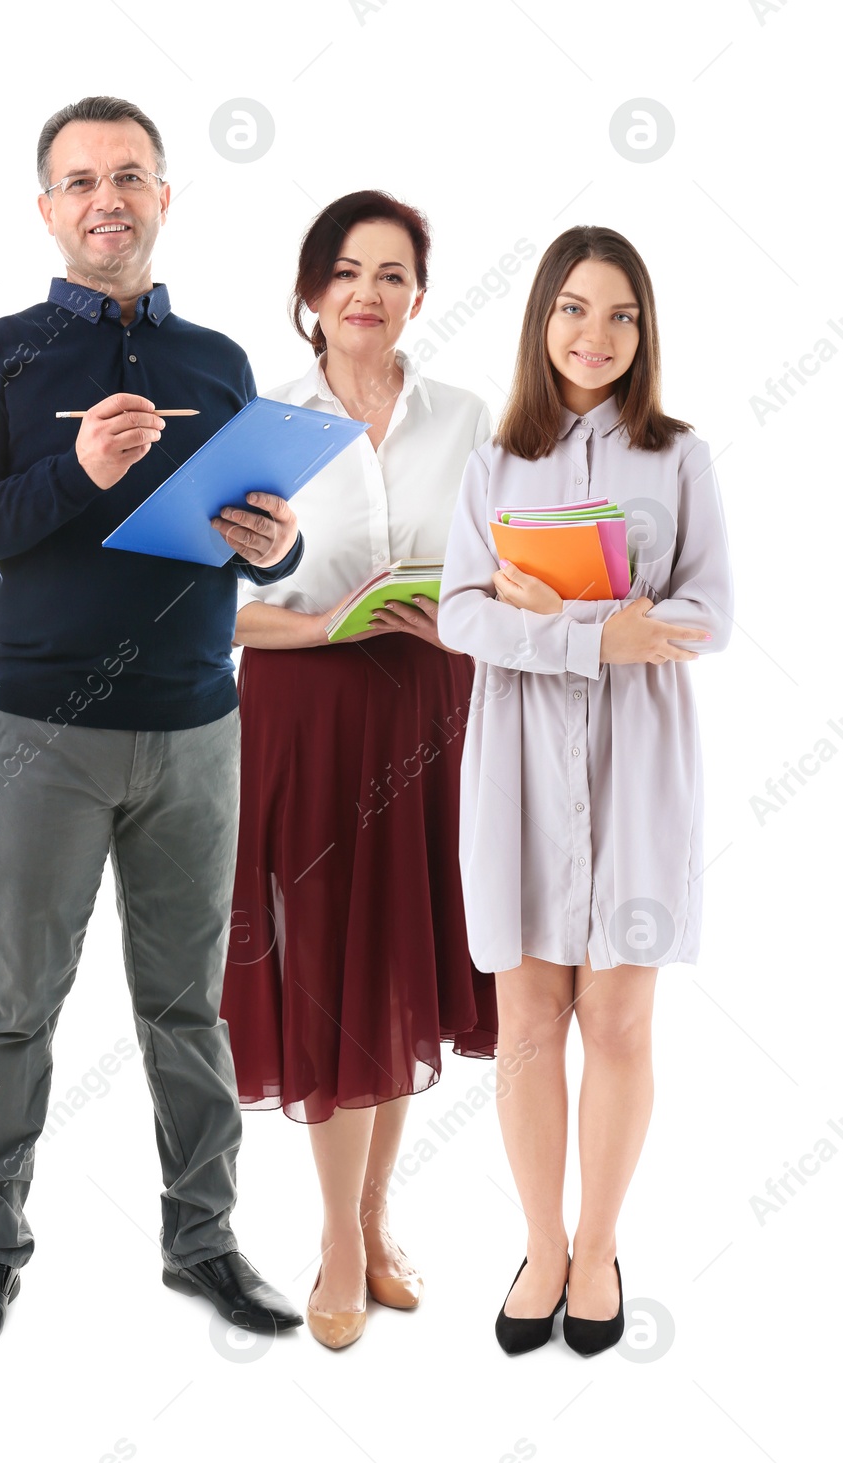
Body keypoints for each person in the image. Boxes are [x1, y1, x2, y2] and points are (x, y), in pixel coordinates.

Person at [0, 95, 306, 1351]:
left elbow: (242, 532)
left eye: (130, 176)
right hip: (41, 729)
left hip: (198, 727)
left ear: (161, 197)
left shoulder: (219, 363)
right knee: (14, 1000)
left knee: (187, 1004)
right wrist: (74, 474)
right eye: (82, 179)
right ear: (48, 209)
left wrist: (274, 544)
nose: (108, 198)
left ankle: (202, 1239)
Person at [436, 225, 732, 1356]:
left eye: (619, 313)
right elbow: (462, 615)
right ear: (539, 320)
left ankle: (598, 1244)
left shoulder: (680, 458)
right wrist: (595, 635)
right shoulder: (492, 462)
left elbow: (705, 616)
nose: (594, 334)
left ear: (643, 330)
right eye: (571, 308)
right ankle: (540, 1245)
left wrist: (550, 620)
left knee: (614, 1017)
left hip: (639, 761)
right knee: (525, 1019)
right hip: (511, 759)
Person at [222, 191, 498, 1349]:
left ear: (417, 297)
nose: (366, 294)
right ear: (309, 294)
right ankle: (337, 1236)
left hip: (433, 710)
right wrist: (337, 621)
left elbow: (498, 575)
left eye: (390, 274)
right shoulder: (258, 425)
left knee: (399, 961)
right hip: (307, 713)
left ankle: (376, 1221)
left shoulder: (466, 417)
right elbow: (214, 613)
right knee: (330, 964)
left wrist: (465, 608)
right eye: (345, 271)